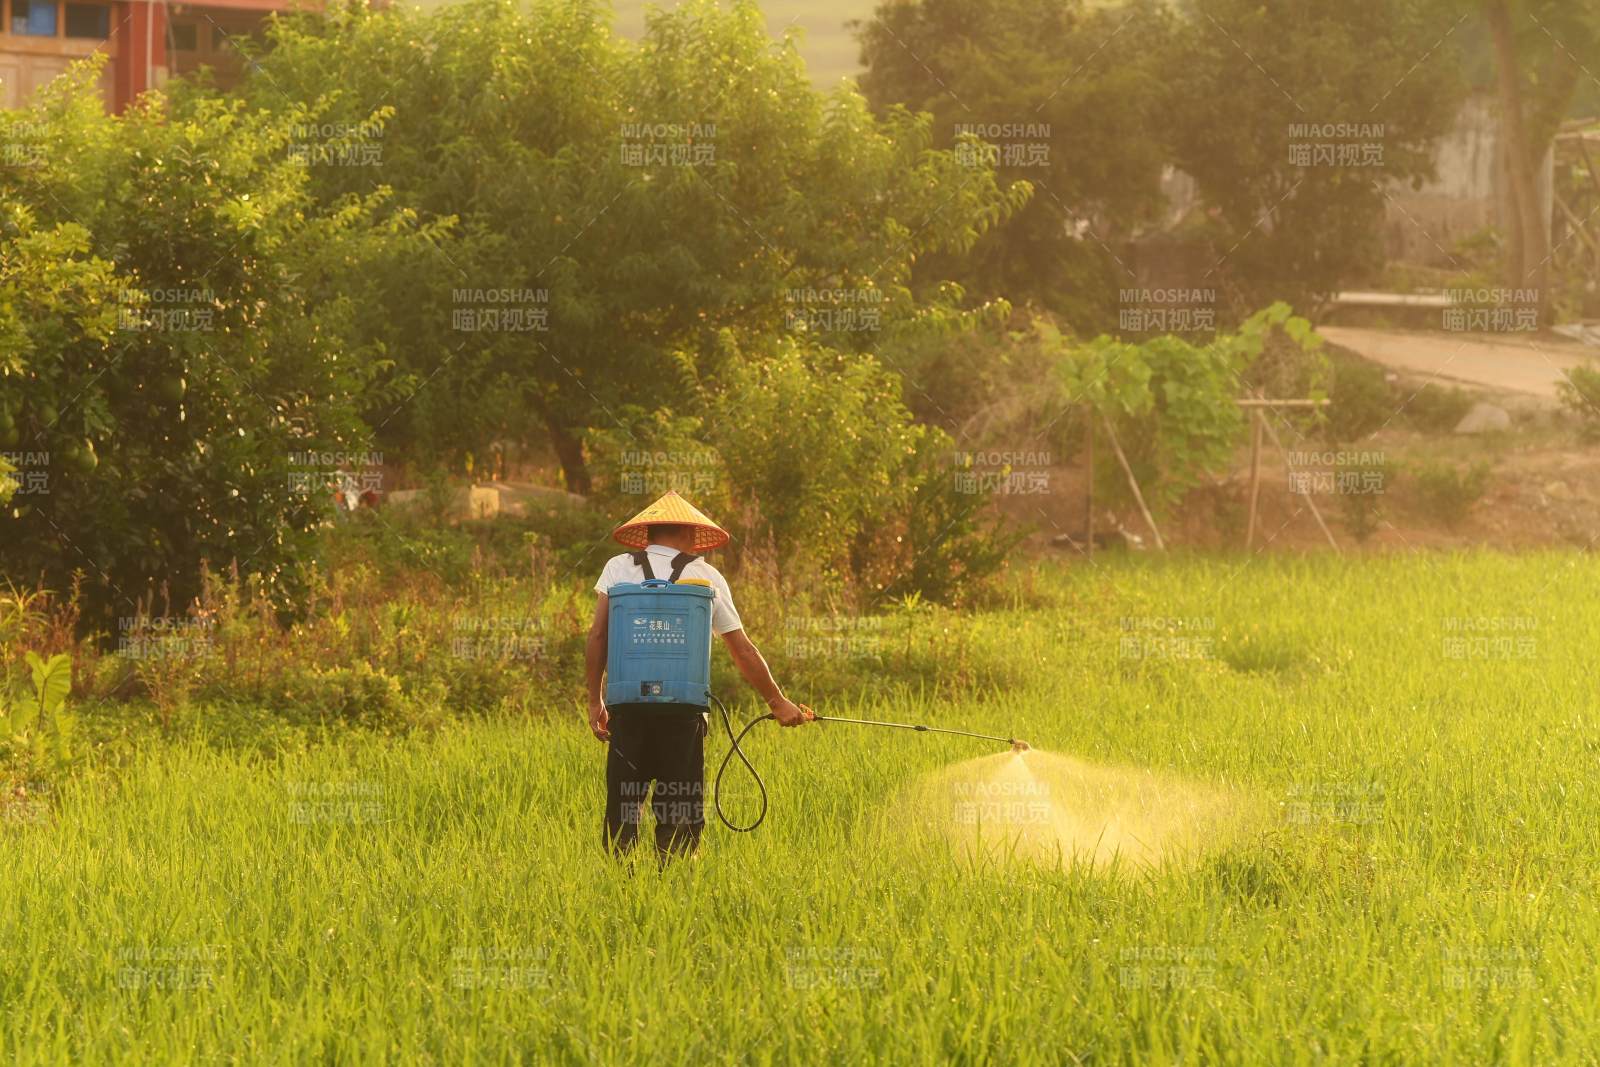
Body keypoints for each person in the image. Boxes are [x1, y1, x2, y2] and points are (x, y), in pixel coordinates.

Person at [585, 491, 811, 860]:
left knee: (624, 810)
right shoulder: (705, 576)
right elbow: (742, 648)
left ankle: (621, 889)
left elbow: (597, 635)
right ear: (690, 534)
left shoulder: (618, 567)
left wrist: (596, 700)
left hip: (628, 708)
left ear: (649, 532)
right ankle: (672, 888)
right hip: (682, 712)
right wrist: (777, 701)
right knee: (679, 812)